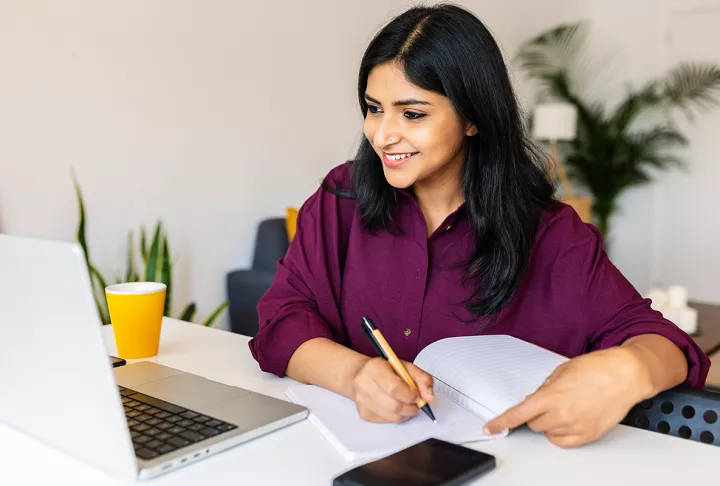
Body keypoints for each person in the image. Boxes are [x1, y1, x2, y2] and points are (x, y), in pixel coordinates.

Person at [248, 3, 710, 448]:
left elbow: (664, 343)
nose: (382, 135)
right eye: (374, 108)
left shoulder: (551, 233)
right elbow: (281, 322)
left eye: (412, 114)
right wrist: (353, 375)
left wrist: (627, 371)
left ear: (472, 118)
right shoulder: (341, 198)